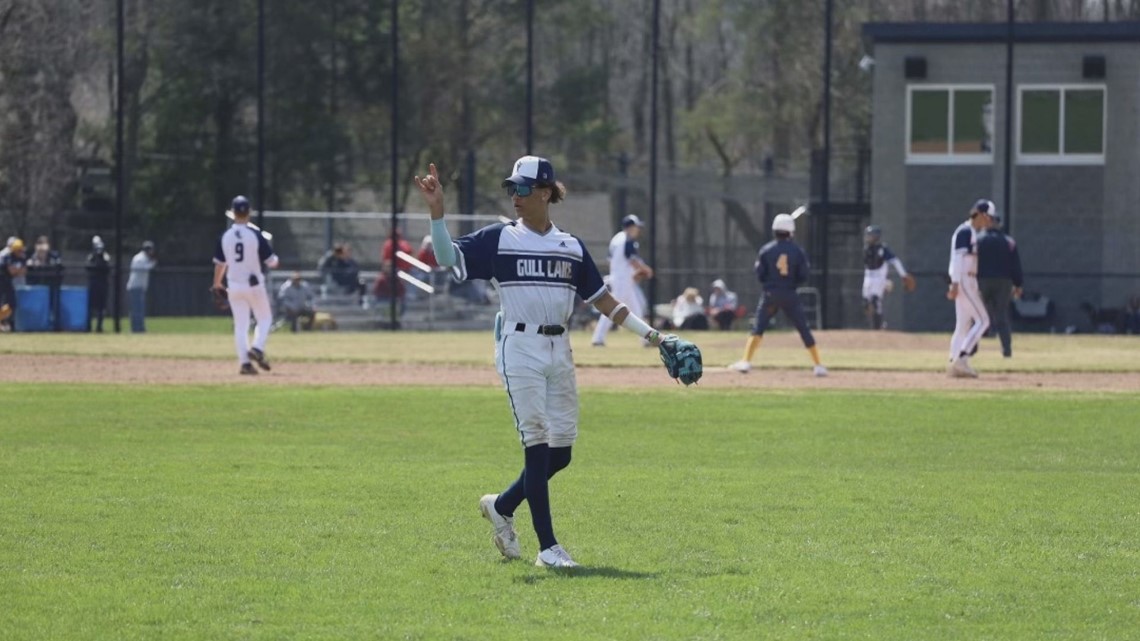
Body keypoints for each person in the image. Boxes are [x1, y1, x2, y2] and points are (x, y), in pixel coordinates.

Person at [414, 155, 690, 569]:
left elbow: (605, 302)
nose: (515, 197)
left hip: (560, 350)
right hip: (518, 346)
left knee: (560, 454)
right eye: (511, 189)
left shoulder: (571, 246)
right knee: (536, 442)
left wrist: (653, 335)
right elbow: (445, 258)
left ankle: (502, 505)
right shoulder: (499, 238)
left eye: (522, 189)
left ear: (545, 192)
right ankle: (548, 548)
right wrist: (437, 214)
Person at [731, 213, 827, 377]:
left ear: (775, 230)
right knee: (803, 328)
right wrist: (791, 283)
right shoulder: (797, 251)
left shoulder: (766, 250)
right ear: (791, 232)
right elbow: (804, 274)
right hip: (790, 294)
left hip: (770, 294)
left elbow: (760, 273)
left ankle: (746, 361)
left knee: (758, 328)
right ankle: (818, 365)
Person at [213, 195, 280, 375]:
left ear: (233, 213)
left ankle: (245, 363)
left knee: (240, 325)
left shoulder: (225, 236)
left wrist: (216, 284)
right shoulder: (255, 235)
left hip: (233, 286)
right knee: (265, 319)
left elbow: (220, 263)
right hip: (254, 285)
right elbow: (272, 262)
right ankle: (257, 348)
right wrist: (274, 257)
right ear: (248, 213)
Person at [946, 199, 994, 378]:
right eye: (988, 217)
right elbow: (958, 259)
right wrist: (956, 283)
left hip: (968, 281)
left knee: (963, 325)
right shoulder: (965, 231)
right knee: (984, 321)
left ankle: (954, 362)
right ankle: (962, 357)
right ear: (981, 215)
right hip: (964, 280)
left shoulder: (970, 232)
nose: (990, 222)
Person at [590, 214, 653, 347]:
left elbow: (612, 261)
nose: (638, 230)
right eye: (637, 227)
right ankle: (598, 339)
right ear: (630, 227)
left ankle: (646, 339)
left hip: (619, 279)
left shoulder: (616, 239)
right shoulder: (627, 239)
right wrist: (646, 270)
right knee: (614, 310)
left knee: (636, 309)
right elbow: (633, 260)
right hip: (622, 282)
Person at [977, 213, 1023, 358]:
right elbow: (1015, 265)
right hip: (1003, 282)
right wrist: (1018, 284)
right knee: (1002, 316)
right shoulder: (1009, 242)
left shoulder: (978, 239)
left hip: (982, 280)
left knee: (977, 315)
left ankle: (971, 349)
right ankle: (1007, 350)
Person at [861, 225, 913, 330]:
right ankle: (875, 325)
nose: (868, 237)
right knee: (866, 303)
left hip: (878, 277)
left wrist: (903, 275)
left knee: (876, 301)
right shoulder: (867, 249)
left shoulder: (883, 249)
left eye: (870, 235)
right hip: (868, 278)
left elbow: (895, 261)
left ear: (876, 237)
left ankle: (878, 327)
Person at [26, 236, 64, 330]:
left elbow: (59, 267)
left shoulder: (54, 256)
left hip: (52, 285)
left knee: (54, 305)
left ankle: (55, 326)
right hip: (37, 286)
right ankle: (37, 325)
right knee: (38, 307)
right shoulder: (33, 256)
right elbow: (29, 268)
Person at [126, 240, 157, 333]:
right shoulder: (140, 258)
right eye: (151, 250)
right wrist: (152, 264)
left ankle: (139, 328)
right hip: (135, 286)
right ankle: (136, 328)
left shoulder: (144, 258)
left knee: (139, 308)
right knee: (136, 309)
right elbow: (143, 268)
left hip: (140, 287)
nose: (152, 252)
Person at [0, 237, 27, 331]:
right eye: (18, 250)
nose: (20, 252)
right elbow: (11, 271)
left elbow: (23, 271)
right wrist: (17, 271)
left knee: (12, 303)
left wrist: (16, 271)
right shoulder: (7, 256)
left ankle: (5, 321)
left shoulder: (22, 257)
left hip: (8, 281)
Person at [85, 236, 112, 332]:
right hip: (93, 284)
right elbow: (88, 267)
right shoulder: (91, 256)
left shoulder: (106, 256)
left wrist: (102, 260)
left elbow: (108, 267)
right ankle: (88, 326)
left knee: (101, 307)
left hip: (103, 284)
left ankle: (99, 327)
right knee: (90, 306)